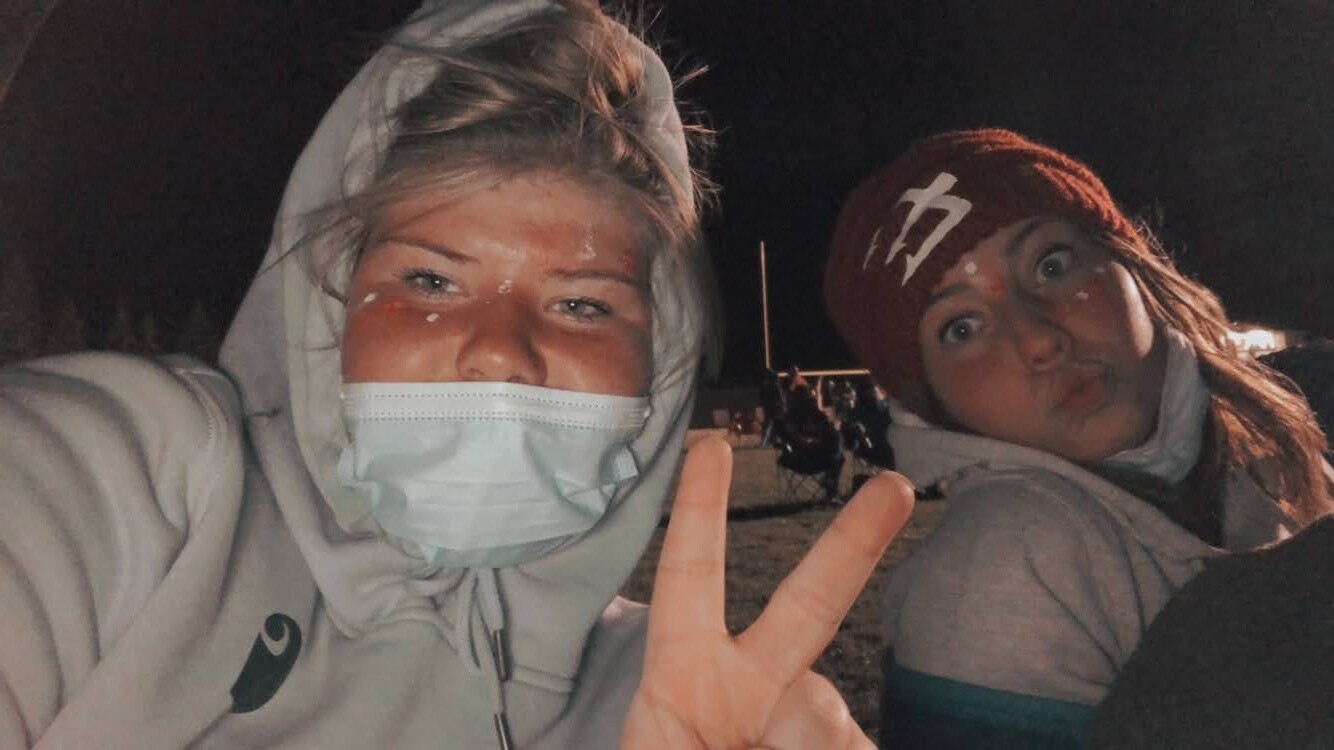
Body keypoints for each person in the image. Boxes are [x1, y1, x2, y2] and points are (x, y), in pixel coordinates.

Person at [0, 2, 916, 748]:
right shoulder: (142, 482)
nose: (500, 353)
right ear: (328, 311)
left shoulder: (681, 696)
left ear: (660, 373)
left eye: (582, 303)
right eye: (430, 281)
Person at [821, 128, 1334, 747]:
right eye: (962, 327)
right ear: (932, 405)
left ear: (1130, 264)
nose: (1039, 339)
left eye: (1051, 265)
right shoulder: (1003, 566)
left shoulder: (1274, 437)